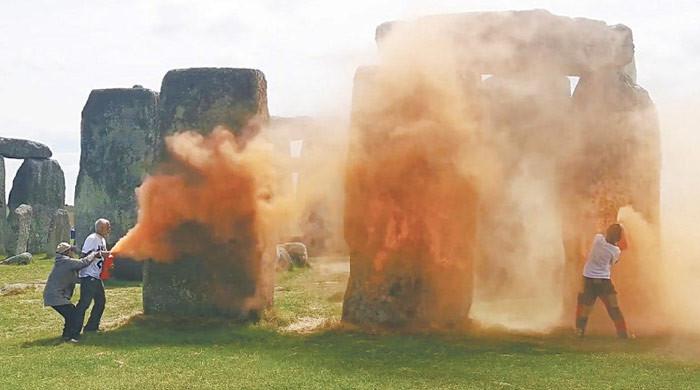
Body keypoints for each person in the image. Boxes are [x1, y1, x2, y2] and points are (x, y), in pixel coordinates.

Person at [575, 223, 630, 339]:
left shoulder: (598, 239)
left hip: (588, 278)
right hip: (604, 281)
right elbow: (613, 262)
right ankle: (622, 334)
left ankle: (580, 331)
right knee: (614, 307)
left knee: (586, 308)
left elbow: (601, 232)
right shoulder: (615, 251)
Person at [43, 242, 104, 342]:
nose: (73, 252)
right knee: (73, 314)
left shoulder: (63, 262)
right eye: (72, 250)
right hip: (56, 296)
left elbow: (75, 278)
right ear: (67, 252)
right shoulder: (66, 261)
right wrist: (94, 254)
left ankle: (67, 336)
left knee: (70, 315)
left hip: (53, 295)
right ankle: (71, 337)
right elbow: (83, 263)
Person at [70, 218, 111, 338]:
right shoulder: (92, 238)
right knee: (84, 304)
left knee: (100, 302)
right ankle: (73, 332)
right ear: (100, 227)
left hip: (96, 276)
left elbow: (101, 255)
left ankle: (91, 327)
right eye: (107, 227)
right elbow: (84, 256)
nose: (109, 229)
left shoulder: (102, 239)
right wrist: (98, 254)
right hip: (88, 276)